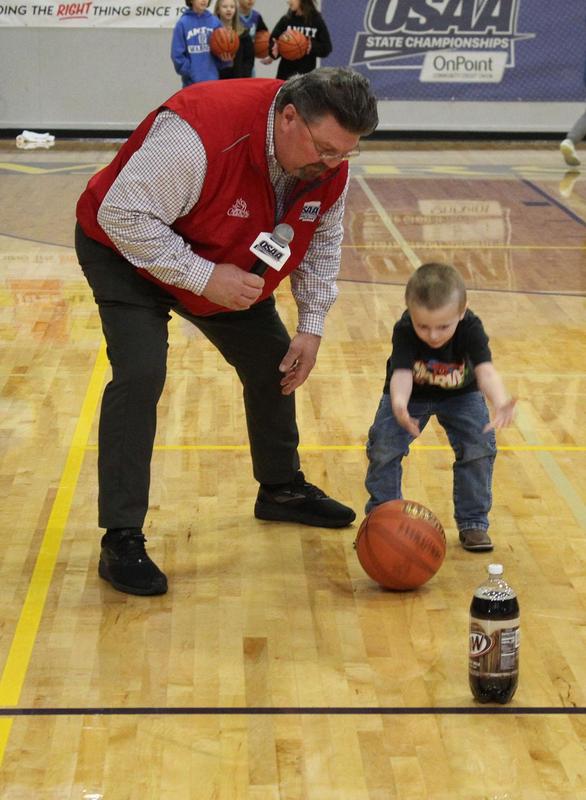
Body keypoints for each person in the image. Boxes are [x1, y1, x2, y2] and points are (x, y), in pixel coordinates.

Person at [75, 67, 379, 596]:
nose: (332, 165)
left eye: (344, 155)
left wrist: (311, 325)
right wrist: (202, 277)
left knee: (274, 360)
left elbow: (321, 240)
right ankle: (120, 536)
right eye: (325, 149)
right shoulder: (197, 134)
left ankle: (280, 490)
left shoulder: (327, 165)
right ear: (289, 117)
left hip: (224, 260)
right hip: (126, 252)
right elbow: (123, 213)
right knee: (141, 374)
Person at [364, 263, 516, 553]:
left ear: (462, 311)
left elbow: (485, 370)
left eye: (443, 326)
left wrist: (500, 401)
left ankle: (473, 522)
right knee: (383, 447)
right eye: (424, 326)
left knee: (479, 447)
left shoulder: (471, 327)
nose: (433, 336)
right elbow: (402, 374)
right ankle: (382, 517)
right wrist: (398, 405)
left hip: (461, 395)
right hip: (410, 394)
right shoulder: (405, 329)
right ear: (409, 310)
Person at [268, 0, 332, 81]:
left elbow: (327, 48)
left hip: (306, 77)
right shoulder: (286, 20)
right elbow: (273, 42)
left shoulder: (316, 20)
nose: (288, 2)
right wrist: (274, 50)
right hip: (285, 75)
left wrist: (311, 46)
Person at [171, 0, 222, 87]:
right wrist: (190, 72)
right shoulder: (183, 23)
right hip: (191, 85)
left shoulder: (215, 22)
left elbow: (221, 50)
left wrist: (225, 59)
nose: (204, 0)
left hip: (213, 82)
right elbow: (177, 54)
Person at [214, 0, 250, 79]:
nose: (229, 9)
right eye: (224, 7)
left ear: (236, 10)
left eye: (232, 7)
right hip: (218, 80)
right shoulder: (212, 33)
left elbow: (249, 59)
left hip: (239, 79)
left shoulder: (244, 34)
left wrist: (245, 78)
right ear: (217, 10)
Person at [238, 0, 269, 77]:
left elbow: (265, 37)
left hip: (249, 62)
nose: (250, 0)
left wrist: (267, 50)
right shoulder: (232, 14)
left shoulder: (256, 16)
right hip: (234, 62)